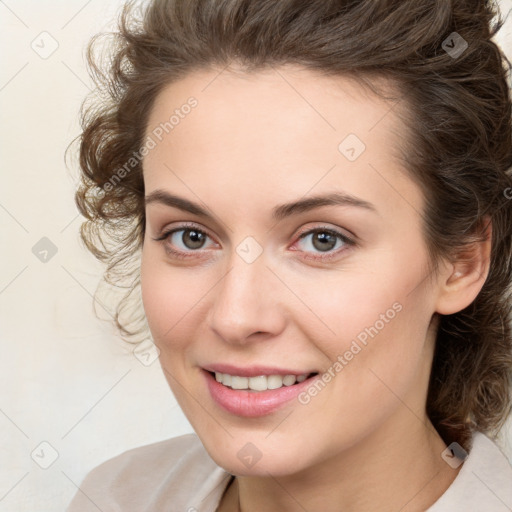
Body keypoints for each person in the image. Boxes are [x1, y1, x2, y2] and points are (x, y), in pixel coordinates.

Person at [66, 0, 512, 510]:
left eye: (323, 239)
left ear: (462, 260)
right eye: (190, 236)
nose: (236, 318)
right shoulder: (117, 497)